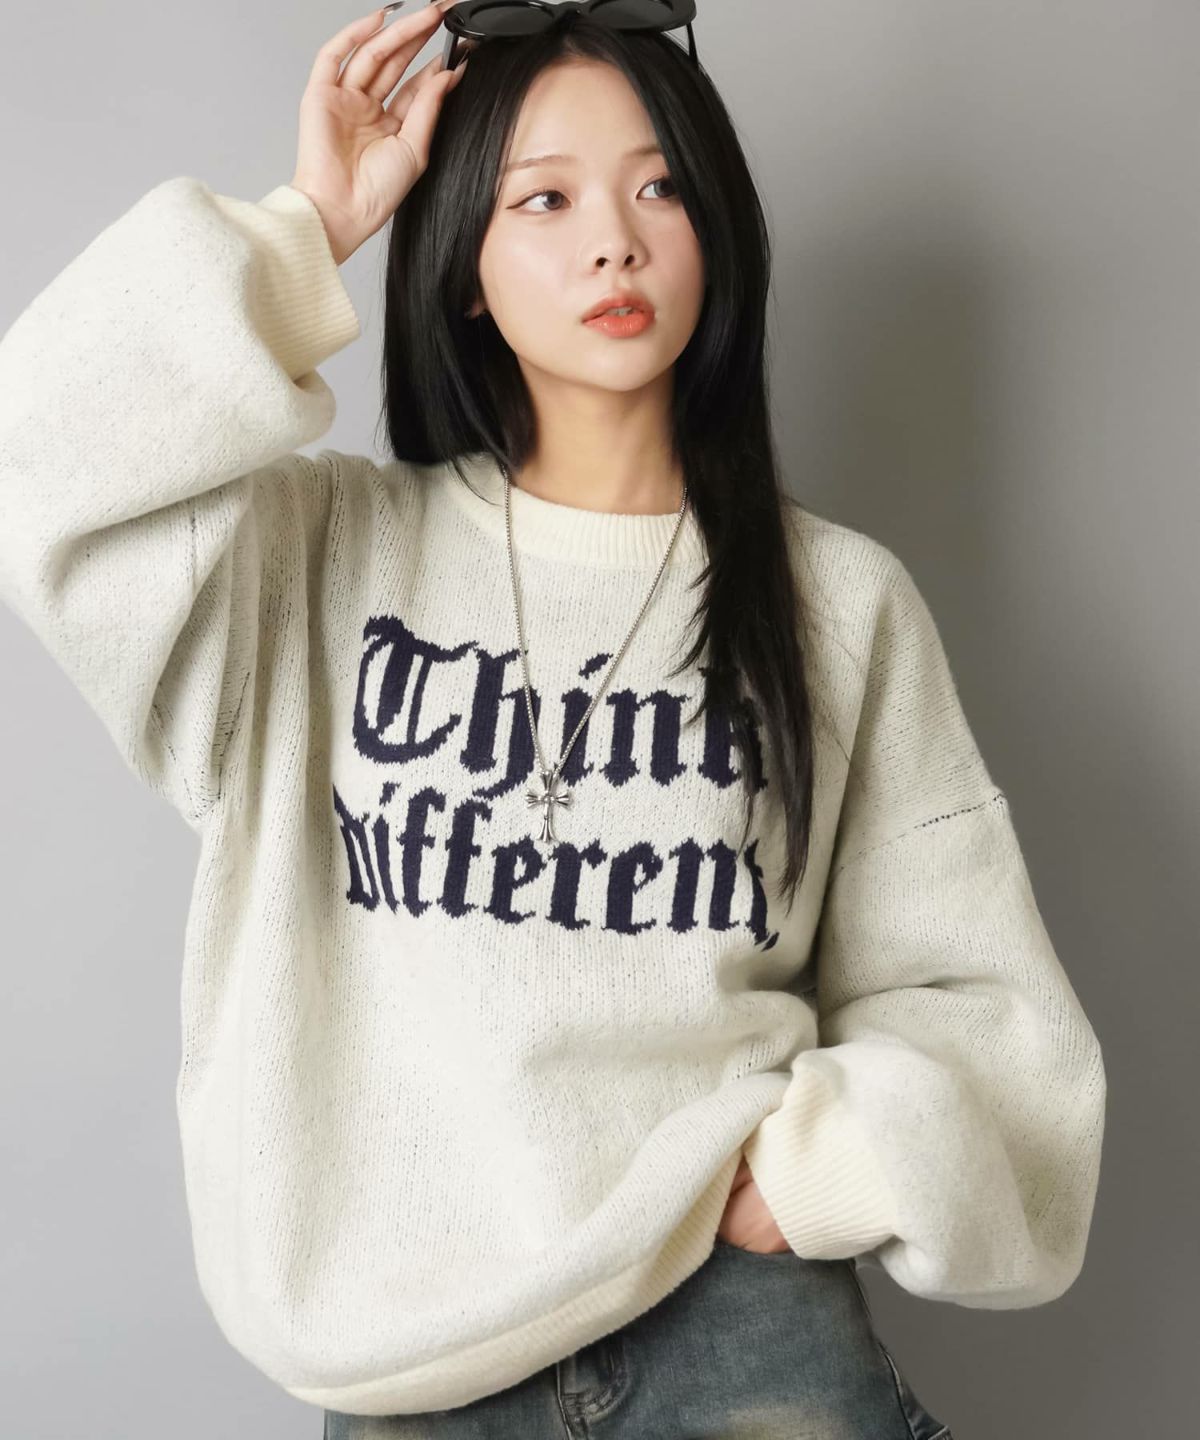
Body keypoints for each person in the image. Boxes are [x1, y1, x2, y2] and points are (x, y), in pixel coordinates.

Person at [0, 2, 1106, 1436]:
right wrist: (308, 227)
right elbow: (44, 456)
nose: (614, 243)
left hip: (741, 1337)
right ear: (464, 264)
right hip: (414, 1364)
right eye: (545, 199)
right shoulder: (315, 560)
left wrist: (825, 1170)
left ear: (716, 231)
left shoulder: (838, 603)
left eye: (660, 188)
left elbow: (985, 1008)